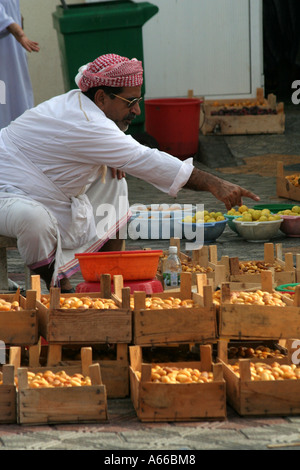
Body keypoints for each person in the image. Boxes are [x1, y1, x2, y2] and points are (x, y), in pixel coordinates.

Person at [0, 53, 259, 292]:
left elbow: (124, 152)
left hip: (45, 190)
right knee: (34, 220)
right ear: (102, 98)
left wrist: (109, 158)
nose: (136, 111)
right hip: (7, 193)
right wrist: (215, 184)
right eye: (130, 102)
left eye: (138, 101)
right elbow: (146, 159)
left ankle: (109, 277)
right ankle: (60, 287)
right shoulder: (89, 124)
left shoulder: (83, 106)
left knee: (115, 180)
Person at [0, 0, 39, 129]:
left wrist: (16, 21)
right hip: (5, 50)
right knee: (3, 99)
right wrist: (16, 29)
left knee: (14, 96)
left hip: (12, 50)